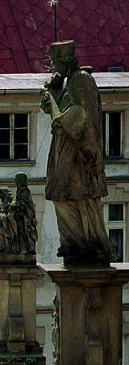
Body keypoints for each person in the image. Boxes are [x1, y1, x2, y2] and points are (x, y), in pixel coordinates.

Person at [41, 40, 110, 264]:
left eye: (55, 62)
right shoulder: (71, 82)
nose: (53, 67)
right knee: (60, 193)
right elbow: (64, 110)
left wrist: (62, 118)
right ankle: (74, 243)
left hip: (78, 153)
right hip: (65, 148)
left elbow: (83, 115)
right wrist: (53, 95)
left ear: (65, 61)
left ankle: (89, 244)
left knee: (76, 196)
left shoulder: (82, 80)